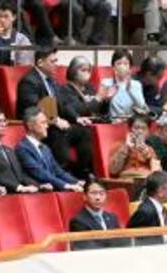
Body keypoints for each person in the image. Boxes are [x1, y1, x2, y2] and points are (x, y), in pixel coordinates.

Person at [17, 49, 92, 178]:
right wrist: (55, 120)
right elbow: (33, 107)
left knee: (83, 131)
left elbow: (63, 104)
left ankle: (83, 173)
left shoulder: (52, 81)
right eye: (53, 61)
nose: (56, 64)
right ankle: (64, 175)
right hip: (38, 125)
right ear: (40, 62)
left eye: (56, 61)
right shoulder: (29, 81)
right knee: (58, 133)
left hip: (53, 124)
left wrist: (76, 118)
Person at [16, 108, 82, 192]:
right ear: (30, 126)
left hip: (53, 189)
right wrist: (65, 185)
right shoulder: (22, 148)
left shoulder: (45, 148)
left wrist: (77, 182)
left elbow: (58, 171)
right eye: (43, 123)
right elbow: (41, 174)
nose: (47, 126)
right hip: (39, 193)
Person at [0, 108, 40, 194]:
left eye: (4, 121)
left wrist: (38, 185)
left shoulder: (8, 150)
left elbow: (20, 174)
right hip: (2, 194)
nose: (4, 124)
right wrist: (19, 187)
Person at [58, 56, 111, 128]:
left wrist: (105, 101)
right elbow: (79, 111)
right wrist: (97, 98)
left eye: (88, 71)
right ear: (73, 71)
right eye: (83, 70)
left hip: (94, 125)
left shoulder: (90, 88)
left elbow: (99, 111)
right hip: (78, 127)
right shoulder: (66, 89)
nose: (87, 73)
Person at [69, 180, 123, 250]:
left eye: (102, 193)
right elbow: (85, 248)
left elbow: (120, 241)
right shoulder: (78, 221)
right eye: (93, 193)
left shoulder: (112, 217)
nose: (98, 197)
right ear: (84, 196)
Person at [102, 50, 148, 122]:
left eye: (125, 63)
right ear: (113, 67)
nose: (122, 66)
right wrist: (107, 99)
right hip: (112, 122)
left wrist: (131, 90)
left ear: (130, 67)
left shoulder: (136, 84)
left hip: (131, 122)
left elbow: (142, 106)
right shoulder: (106, 83)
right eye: (119, 63)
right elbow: (100, 110)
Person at [108, 114, 159, 179]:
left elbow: (158, 173)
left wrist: (149, 156)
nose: (140, 131)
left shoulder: (149, 149)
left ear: (148, 132)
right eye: (136, 128)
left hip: (147, 179)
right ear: (129, 129)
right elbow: (113, 171)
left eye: (143, 128)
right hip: (128, 179)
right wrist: (125, 148)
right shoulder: (118, 145)